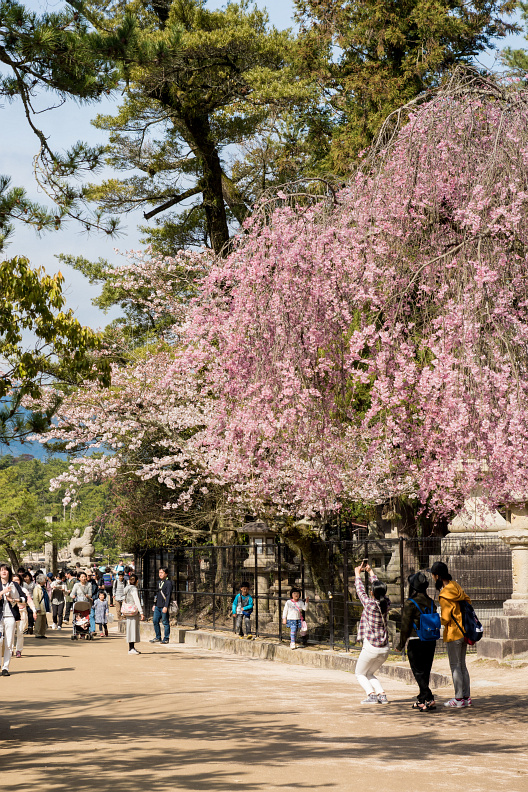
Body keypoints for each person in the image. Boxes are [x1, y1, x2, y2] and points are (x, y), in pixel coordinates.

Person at [428, 561, 472, 708]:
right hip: (464, 631)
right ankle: (466, 697)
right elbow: (468, 602)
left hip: (453, 633)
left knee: (455, 666)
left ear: (438, 576)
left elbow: (446, 618)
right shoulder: (456, 587)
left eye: (433, 575)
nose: (432, 577)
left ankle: (458, 699)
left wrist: (434, 620)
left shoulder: (444, 594)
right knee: (463, 665)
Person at [396, 571, 438, 711]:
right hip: (430, 640)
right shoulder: (431, 602)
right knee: (425, 670)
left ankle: (429, 697)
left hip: (416, 640)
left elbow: (405, 626)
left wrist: (401, 644)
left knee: (418, 671)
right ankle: (421, 700)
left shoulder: (410, 603)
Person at [354, 561, 391, 704]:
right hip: (385, 648)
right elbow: (379, 590)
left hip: (371, 647)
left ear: (372, 593)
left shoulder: (370, 605)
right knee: (369, 673)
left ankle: (371, 695)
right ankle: (381, 695)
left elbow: (360, 591)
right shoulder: (386, 602)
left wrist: (357, 574)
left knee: (359, 673)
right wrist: (370, 572)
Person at [0, 564, 24, 674]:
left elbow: (24, 598)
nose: (3, 572)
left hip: (10, 616)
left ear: (9, 572)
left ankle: (5, 667)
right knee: (0, 641)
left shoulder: (14, 584)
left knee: (9, 643)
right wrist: (2, 593)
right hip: (0, 616)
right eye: (1, 570)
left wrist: (13, 599)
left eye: (5, 570)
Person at [12, 573, 35, 659]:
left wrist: (34, 610)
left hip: (22, 613)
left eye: (17, 580)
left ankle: (18, 650)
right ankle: (10, 649)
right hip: (11, 614)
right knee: (10, 633)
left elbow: (29, 601)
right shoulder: (8, 590)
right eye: (13, 580)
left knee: (20, 632)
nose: (15, 582)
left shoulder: (24, 590)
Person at [150, 568, 173, 644]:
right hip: (157, 605)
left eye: (162, 573)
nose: (160, 574)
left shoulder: (168, 583)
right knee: (155, 621)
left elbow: (168, 595)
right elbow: (156, 594)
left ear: (166, 574)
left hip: (163, 606)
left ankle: (166, 638)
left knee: (165, 622)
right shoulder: (159, 582)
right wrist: (154, 604)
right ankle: (158, 637)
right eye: (159, 572)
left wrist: (166, 606)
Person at [123, 573, 144, 654]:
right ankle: (131, 648)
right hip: (133, 610)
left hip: (127, 610)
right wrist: (141, 612)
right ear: (137, 581)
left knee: (129, 628)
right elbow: (137, 601)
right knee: (133, 629)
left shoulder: (126, 588)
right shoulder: (134, 589)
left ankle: (131, 647)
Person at [33, 574, 49, 639]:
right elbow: (35, 599)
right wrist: (37, 608)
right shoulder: (37, 588)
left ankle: (42, 633)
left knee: (43, 621)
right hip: (40, 606)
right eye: (45, 579)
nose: (46, 581)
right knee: (38, 621)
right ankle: (37, 633)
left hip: (44, 606)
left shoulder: (44, 588)